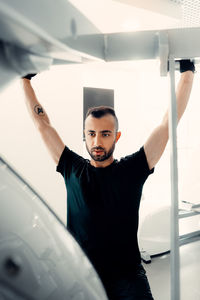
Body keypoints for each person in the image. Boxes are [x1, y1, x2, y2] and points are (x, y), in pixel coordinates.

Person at [21, 60, 195, 300]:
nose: (97, 142)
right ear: (84, 135)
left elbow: (168, 124)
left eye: (105, 134)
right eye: (91, 134)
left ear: (117, 136)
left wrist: (187, 73)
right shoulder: (72, 168)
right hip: (83, 275)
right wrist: (24, 80)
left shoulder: (133, 169)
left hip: (128, 277)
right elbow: (42, 123)